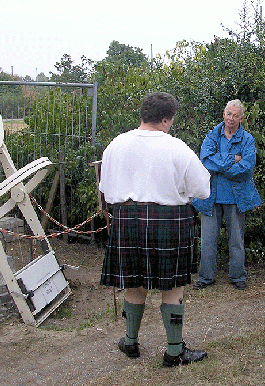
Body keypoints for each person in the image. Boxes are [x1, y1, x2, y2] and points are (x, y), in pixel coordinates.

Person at [99, 92, 211, 367]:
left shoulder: (116, 144)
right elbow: (202, 189)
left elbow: (105, 188)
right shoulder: (177, 148)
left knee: (133, 283)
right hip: (169, 218)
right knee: (171, 286)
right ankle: (174, 352)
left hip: (126, 217)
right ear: (165, 118)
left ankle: (130, 342)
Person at [192, 100, 262, 290]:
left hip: (235, 197)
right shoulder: (212, 135)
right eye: (228, 114)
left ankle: (238, 277)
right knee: (207, 240)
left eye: (235, 115)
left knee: (236, 240)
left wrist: (220, 167)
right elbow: (205, 161)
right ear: (224, 114)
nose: (231, 119)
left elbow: (247, 168)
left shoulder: (247, 139)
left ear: (242, 118)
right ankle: (205, 277)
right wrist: (232, 159)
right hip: (210, 196)